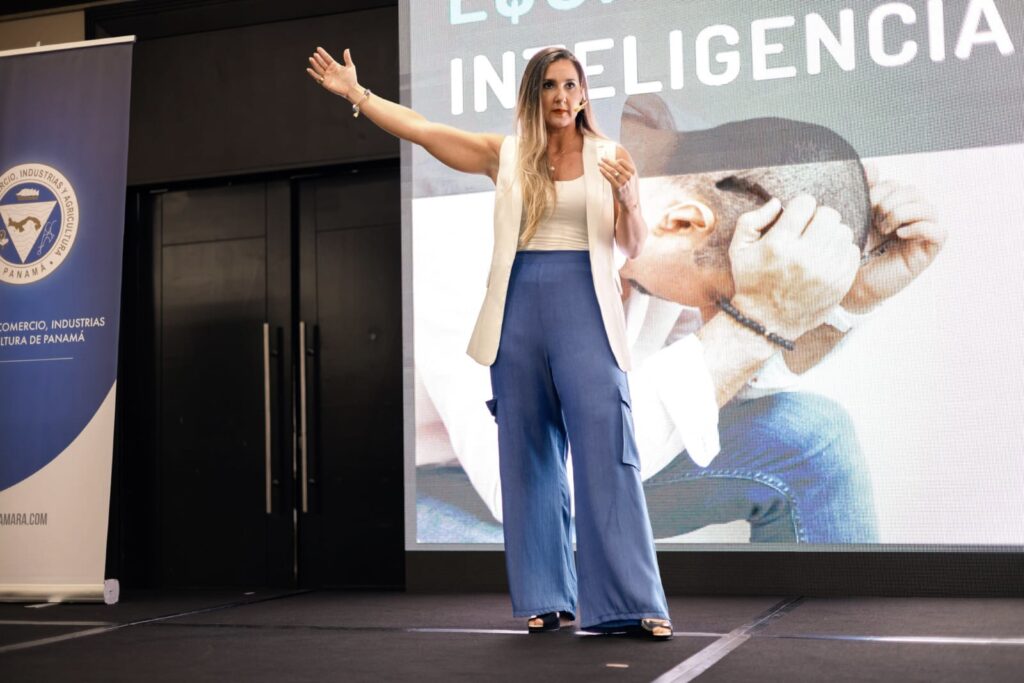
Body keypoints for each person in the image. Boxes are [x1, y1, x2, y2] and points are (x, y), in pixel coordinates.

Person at [309, 45, 860, 636]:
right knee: (527, 455)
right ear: (535, 93)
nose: (565, 97)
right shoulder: (495, 175)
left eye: (573, 86)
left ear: (584, 94)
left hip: (581, 302)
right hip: (465, 447)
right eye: (552, 86)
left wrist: (849, 294)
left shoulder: (618, 159)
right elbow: (424, 128)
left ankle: (631, 603)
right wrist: (358, 95)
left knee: (611, 447)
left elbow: (636, 242)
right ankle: (546, 599)